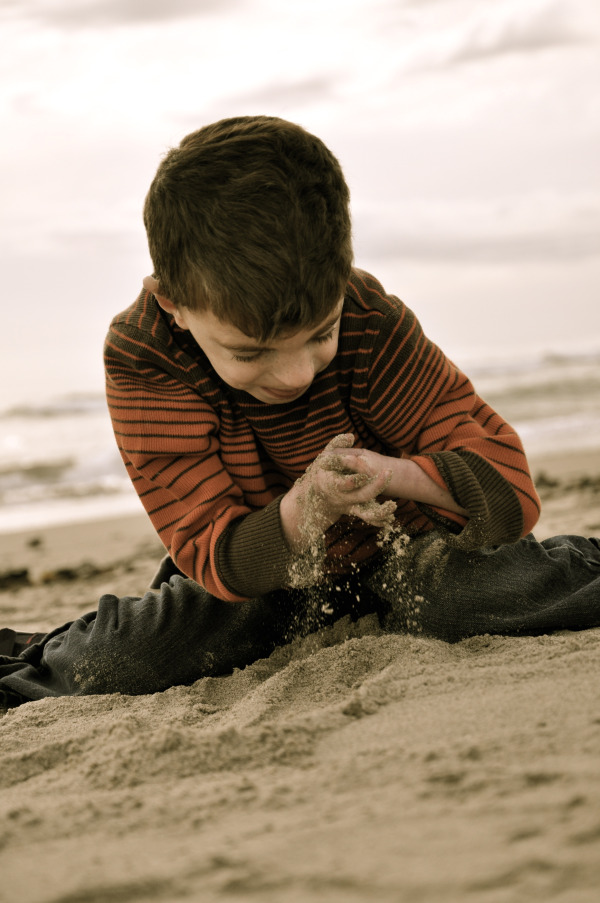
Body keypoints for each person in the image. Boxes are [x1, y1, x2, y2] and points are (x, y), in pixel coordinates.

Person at [1, 116, 599, 708]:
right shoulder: (147, 359)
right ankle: (31, 652)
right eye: (250, 352)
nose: (295, 375)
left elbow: (511, 494)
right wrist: (302, 510)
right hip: (265, 581)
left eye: (321, 334)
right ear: (174, 305)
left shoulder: (371, 318)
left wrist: (393, 475)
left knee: (465, 599)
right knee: (140, 655)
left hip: (412, 552)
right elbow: (215, 555)